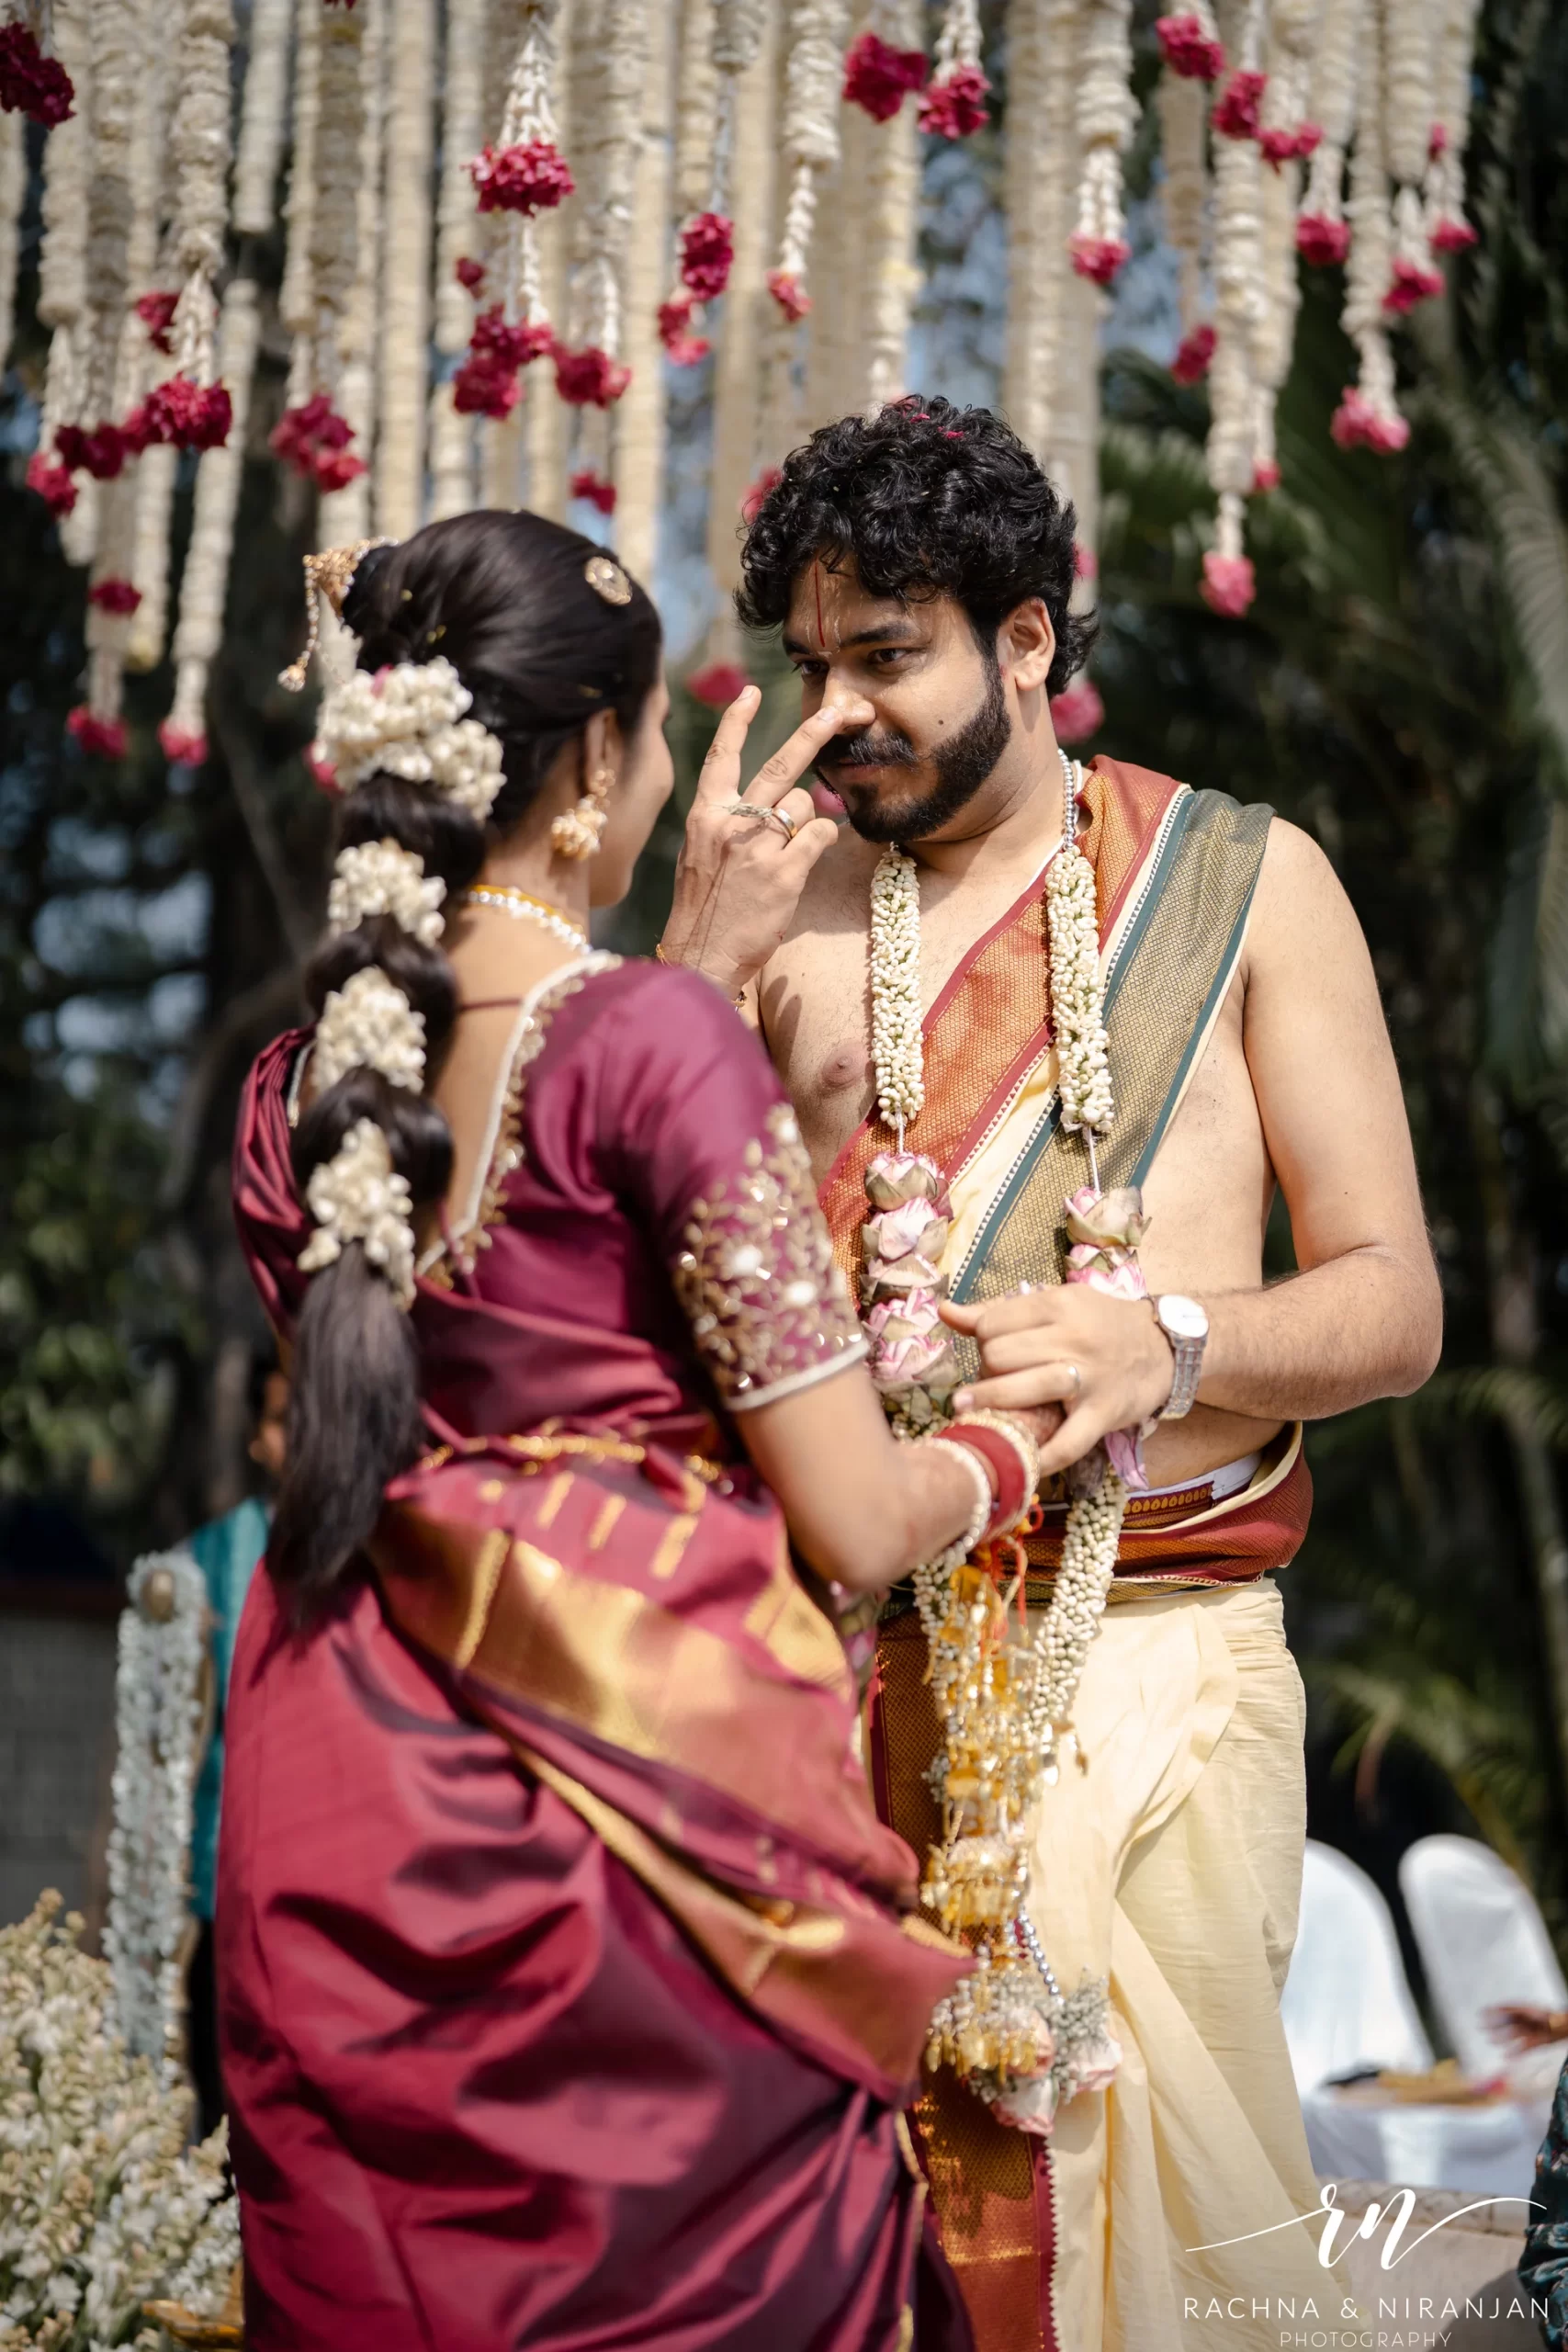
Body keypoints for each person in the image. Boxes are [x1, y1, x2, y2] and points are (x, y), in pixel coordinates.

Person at [221, 508, 1055, 2352]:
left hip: (340, 1826)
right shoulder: (650, 1046)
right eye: (664, 730)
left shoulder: (295, 1097)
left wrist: (689, 954)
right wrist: (1017, 1441)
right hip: (639, 1884)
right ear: (594, 762)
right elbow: (846, 1514)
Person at [659, 397, 1444, 2352]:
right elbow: (632, 1306)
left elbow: (1393, 1306)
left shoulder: (1243, 884)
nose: (837, 716)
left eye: (886, 655)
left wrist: (1160, 1335)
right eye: (808, 668)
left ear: (1026, 638)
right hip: (835, 1702)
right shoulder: (778, 920)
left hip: (1161, 1668)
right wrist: (685, 958)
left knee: (1155, 2273)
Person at [184, 1348, 288, 2134]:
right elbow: (182, 1738)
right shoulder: (210, 1563)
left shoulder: (381, 1553)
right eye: (285, 1422)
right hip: (229, 1885)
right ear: (255, 1436)